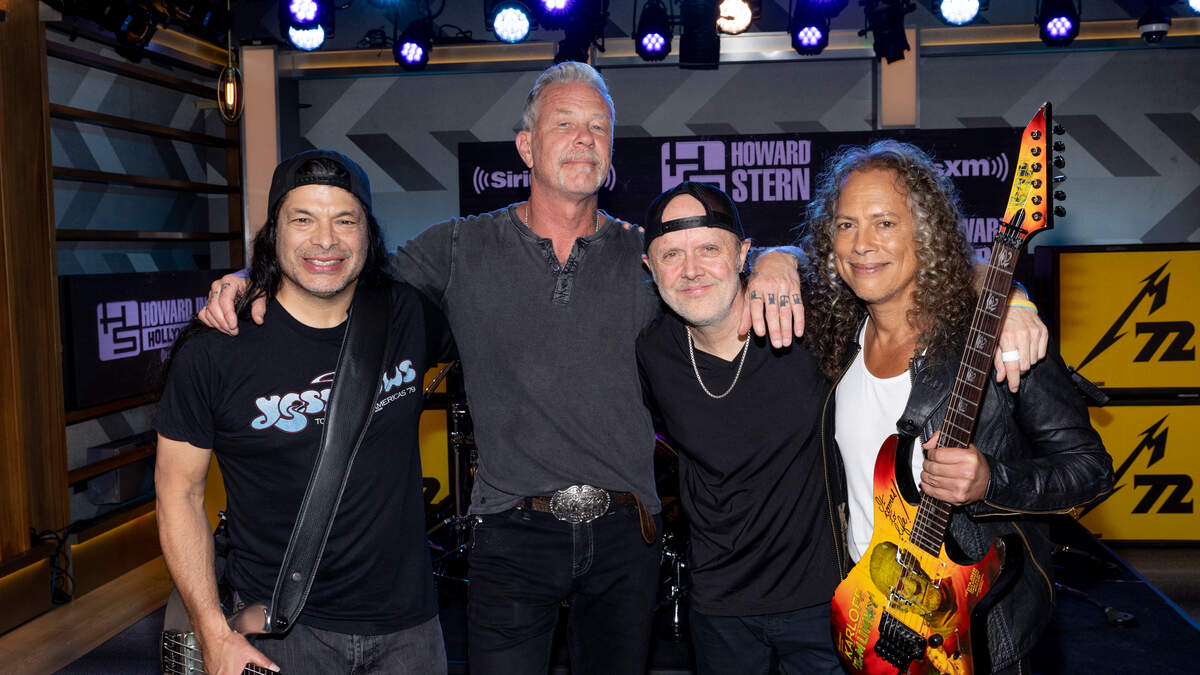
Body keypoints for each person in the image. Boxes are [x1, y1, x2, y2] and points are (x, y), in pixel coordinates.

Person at [196, 62, 804, 674]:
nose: (584, 137)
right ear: (525, 147)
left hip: (627, 536)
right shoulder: (458, 247)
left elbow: (724, 273)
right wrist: (257, 274)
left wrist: (780, 257)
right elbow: (346, 274)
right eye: (564, 123)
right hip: (511, 534)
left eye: (598, 126)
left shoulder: (647, 257)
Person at [800, 140, 1113, 674]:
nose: (862, 244)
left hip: (978, 630)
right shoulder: (835, 339)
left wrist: (993, 481)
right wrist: (773, 262)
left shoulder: (999, 342)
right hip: (872, 616)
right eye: (846, 225)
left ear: (926, 234)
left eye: (885, 223)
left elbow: (1091, 471)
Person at [155, 150, 452, 674]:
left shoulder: (408, 314)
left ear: (368, 233)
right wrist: (212, 632)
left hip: (409, 630)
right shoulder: (214, 351)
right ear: (274, 232)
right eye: (303, 220)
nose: (326, 240)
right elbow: (178, 494)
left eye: (345, 220)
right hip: (281, 631)